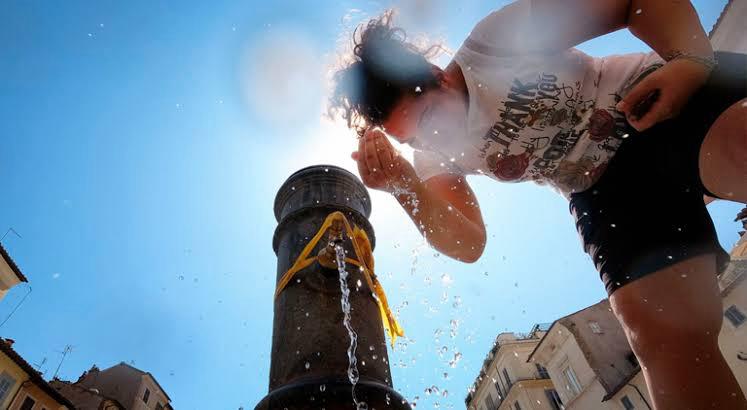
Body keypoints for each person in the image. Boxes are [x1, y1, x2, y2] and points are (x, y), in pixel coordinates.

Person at [329, 0, 747, 409]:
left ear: (438, 77)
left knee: (739, 149)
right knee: (660, 332)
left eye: (432, 120)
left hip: (652, 100)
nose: (432, 141)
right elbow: (468, 244)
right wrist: (405, 185)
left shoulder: (495, 42)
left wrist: (689, 62)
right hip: (605, 189)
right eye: (414, 140)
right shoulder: (433, 156)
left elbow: (634, 3)